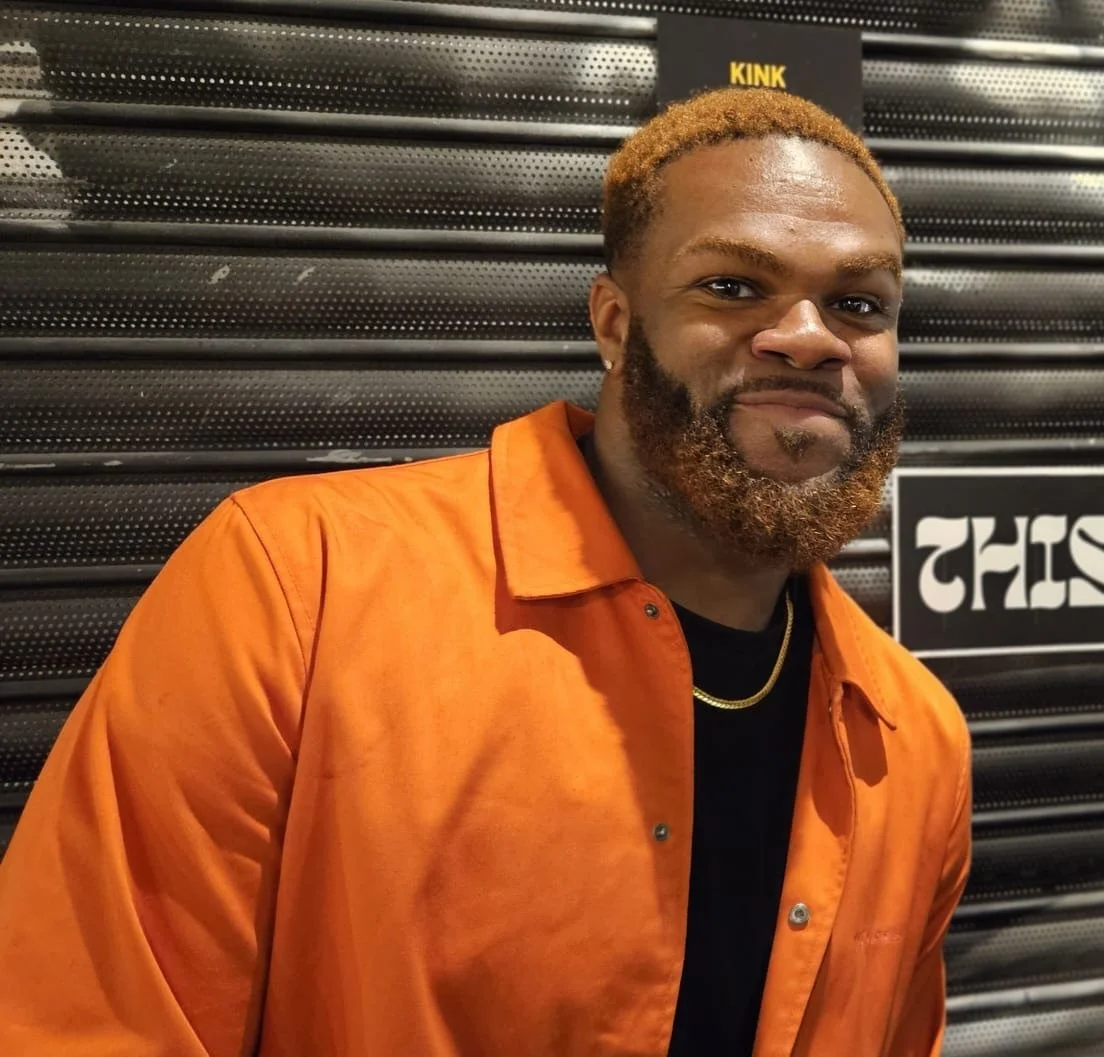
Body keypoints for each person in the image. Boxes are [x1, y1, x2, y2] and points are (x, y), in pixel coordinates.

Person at [0, 88, 972, 1057]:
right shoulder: (299, 584)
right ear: (615, 324)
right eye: (731, 285)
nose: (807, 336)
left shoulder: (913, 739)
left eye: (857, 303)